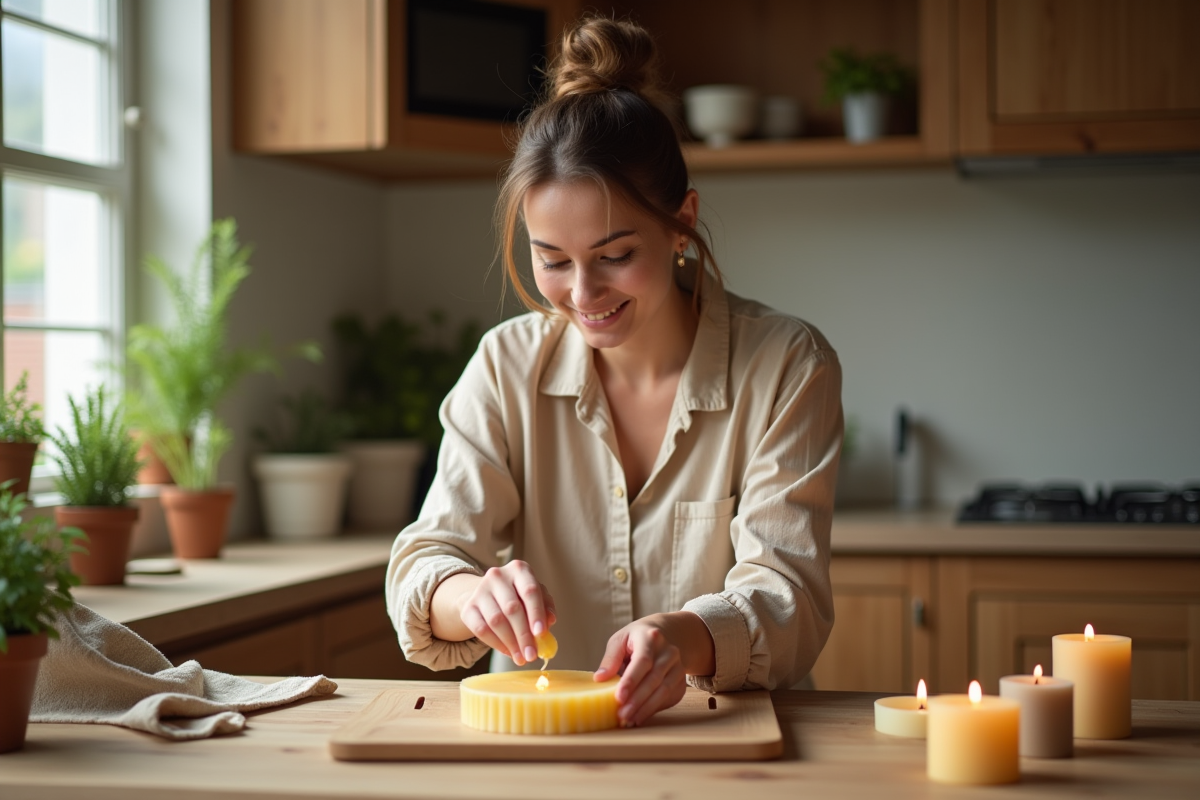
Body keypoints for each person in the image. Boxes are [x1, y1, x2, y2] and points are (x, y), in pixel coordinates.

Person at [386, 16, 842, 729]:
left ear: (680, 224)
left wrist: (683, 639)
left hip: (729, 741)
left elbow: (788, 597)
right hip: (545, 752)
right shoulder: (506, 366)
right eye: (553, 260)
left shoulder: (787, 364)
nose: (582, 294)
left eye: (615, 254)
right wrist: (467, 594)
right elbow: (426, 556)